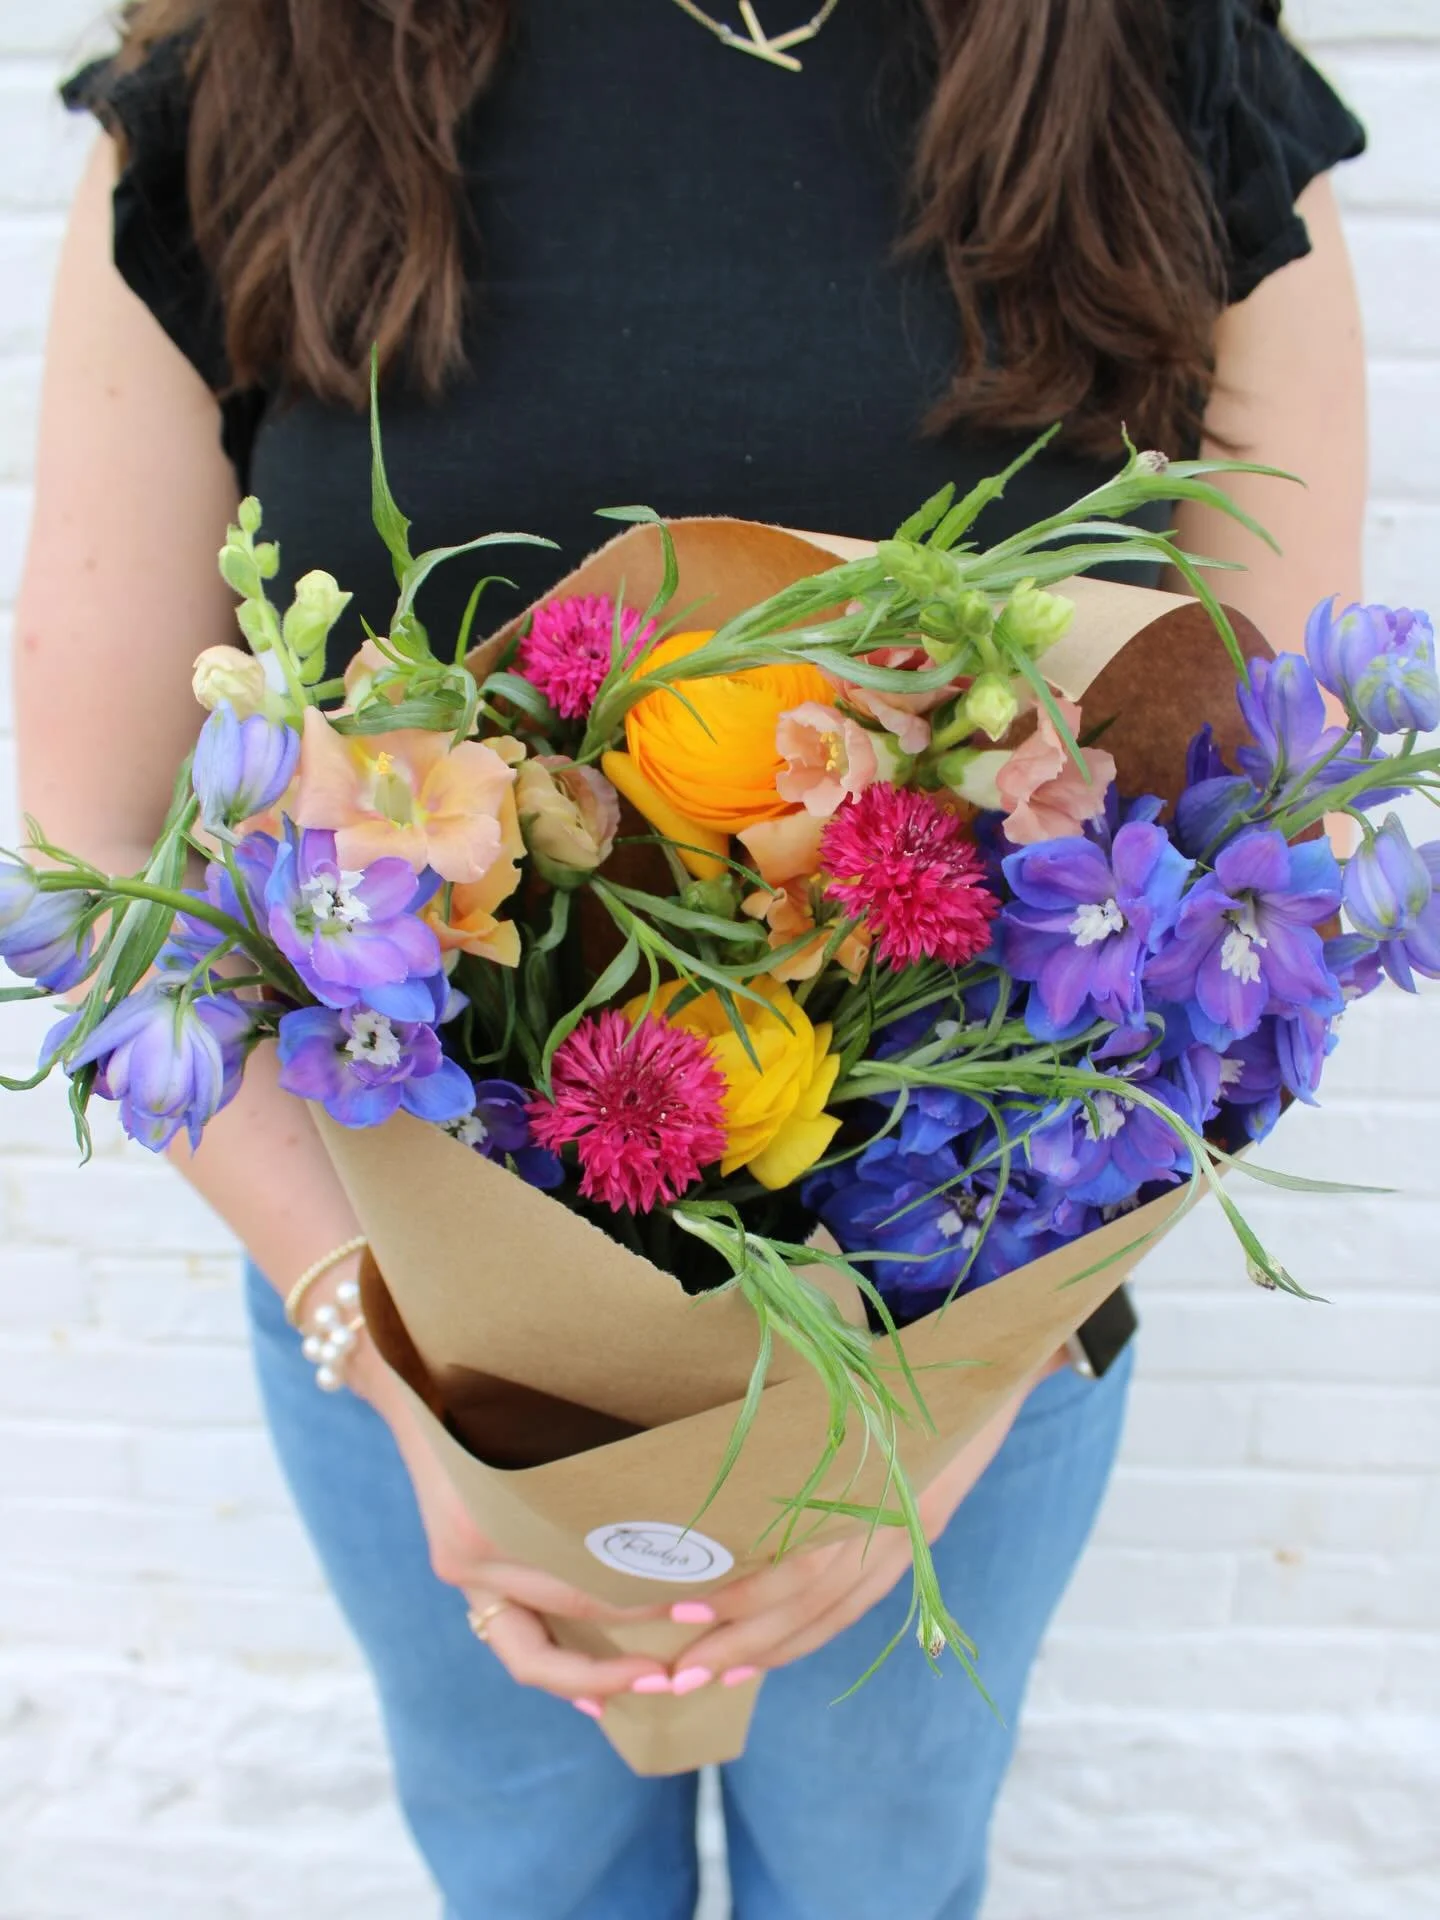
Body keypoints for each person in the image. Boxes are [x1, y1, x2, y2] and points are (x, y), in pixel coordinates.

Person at [16, 3, 1366, 1915]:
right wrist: (390, 1353)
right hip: (396, 1283)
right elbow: (91, 830)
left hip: (988, 1293)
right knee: (528, 1879)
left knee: (887, 1883)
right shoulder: (253, 64)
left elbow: (1267, 826)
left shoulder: (1157, 56)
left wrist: (950, 1408)